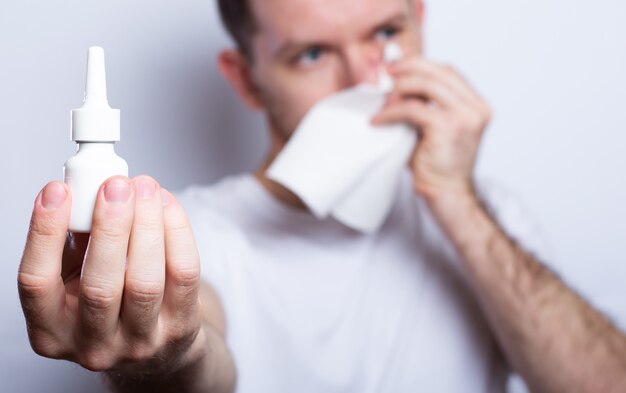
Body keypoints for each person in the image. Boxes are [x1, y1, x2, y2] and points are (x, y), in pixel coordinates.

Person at [17, 0, 626, 392]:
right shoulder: (194, 230)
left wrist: (455, 201)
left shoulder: (486, 219)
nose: (367, 80)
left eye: (387, 33)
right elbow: (198, 343)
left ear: (420, 20)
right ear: (246, 79)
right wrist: (166, 353)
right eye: (312, 54)